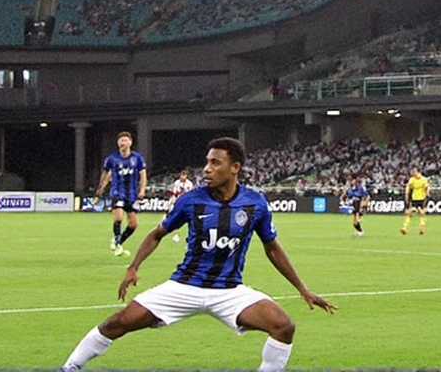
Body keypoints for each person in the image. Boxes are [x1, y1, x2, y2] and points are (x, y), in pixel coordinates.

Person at [59, 137, 336, 371]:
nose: (206, 169)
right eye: (207, 162)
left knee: (283, 326)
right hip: (183, 287)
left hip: (229, 291)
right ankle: (68, 367)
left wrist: (302, 288)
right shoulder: (191, 199)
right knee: (118, 322)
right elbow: (157, 234)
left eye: (215, 163)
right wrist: (133, 266)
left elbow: (272, 248)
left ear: (235, 167)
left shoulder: (255, 203)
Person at [96, 131, 148, 257]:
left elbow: (143, 175)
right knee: (118, 217)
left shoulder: (137, 158)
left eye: (125, 140)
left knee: (133, 224)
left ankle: (118, 241)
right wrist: (100, 189)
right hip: (117, 192)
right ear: (117, 143)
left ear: (130, 143)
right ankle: (117, 243)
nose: (122, 143)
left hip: (132, 194)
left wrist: (142, 191)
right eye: (121, 140)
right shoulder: (112, 158)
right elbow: (106, 174)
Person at [167, 170, 194, 243]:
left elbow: (190, 193)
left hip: (186, 203)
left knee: (190, 219)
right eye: (181, 175)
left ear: (186, 176)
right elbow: (174, 193)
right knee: (172, 218)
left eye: (184, 175)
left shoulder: (189, 184)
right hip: (177, 202)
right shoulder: (177, 183)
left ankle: (190, 236)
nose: (182, 177)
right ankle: (173, 235)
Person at [400, 168, 429, 236]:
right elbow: (408, 188)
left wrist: (427, 197)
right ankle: (404, 228)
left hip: (422, 199)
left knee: (421, 214)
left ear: (419, 172)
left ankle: (422, 228)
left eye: (414, 172)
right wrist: (407, 197)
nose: (413, 173)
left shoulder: (424, 180)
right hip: (414, 199)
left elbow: (427, 189)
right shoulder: (412, 179)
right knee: (408, 213)